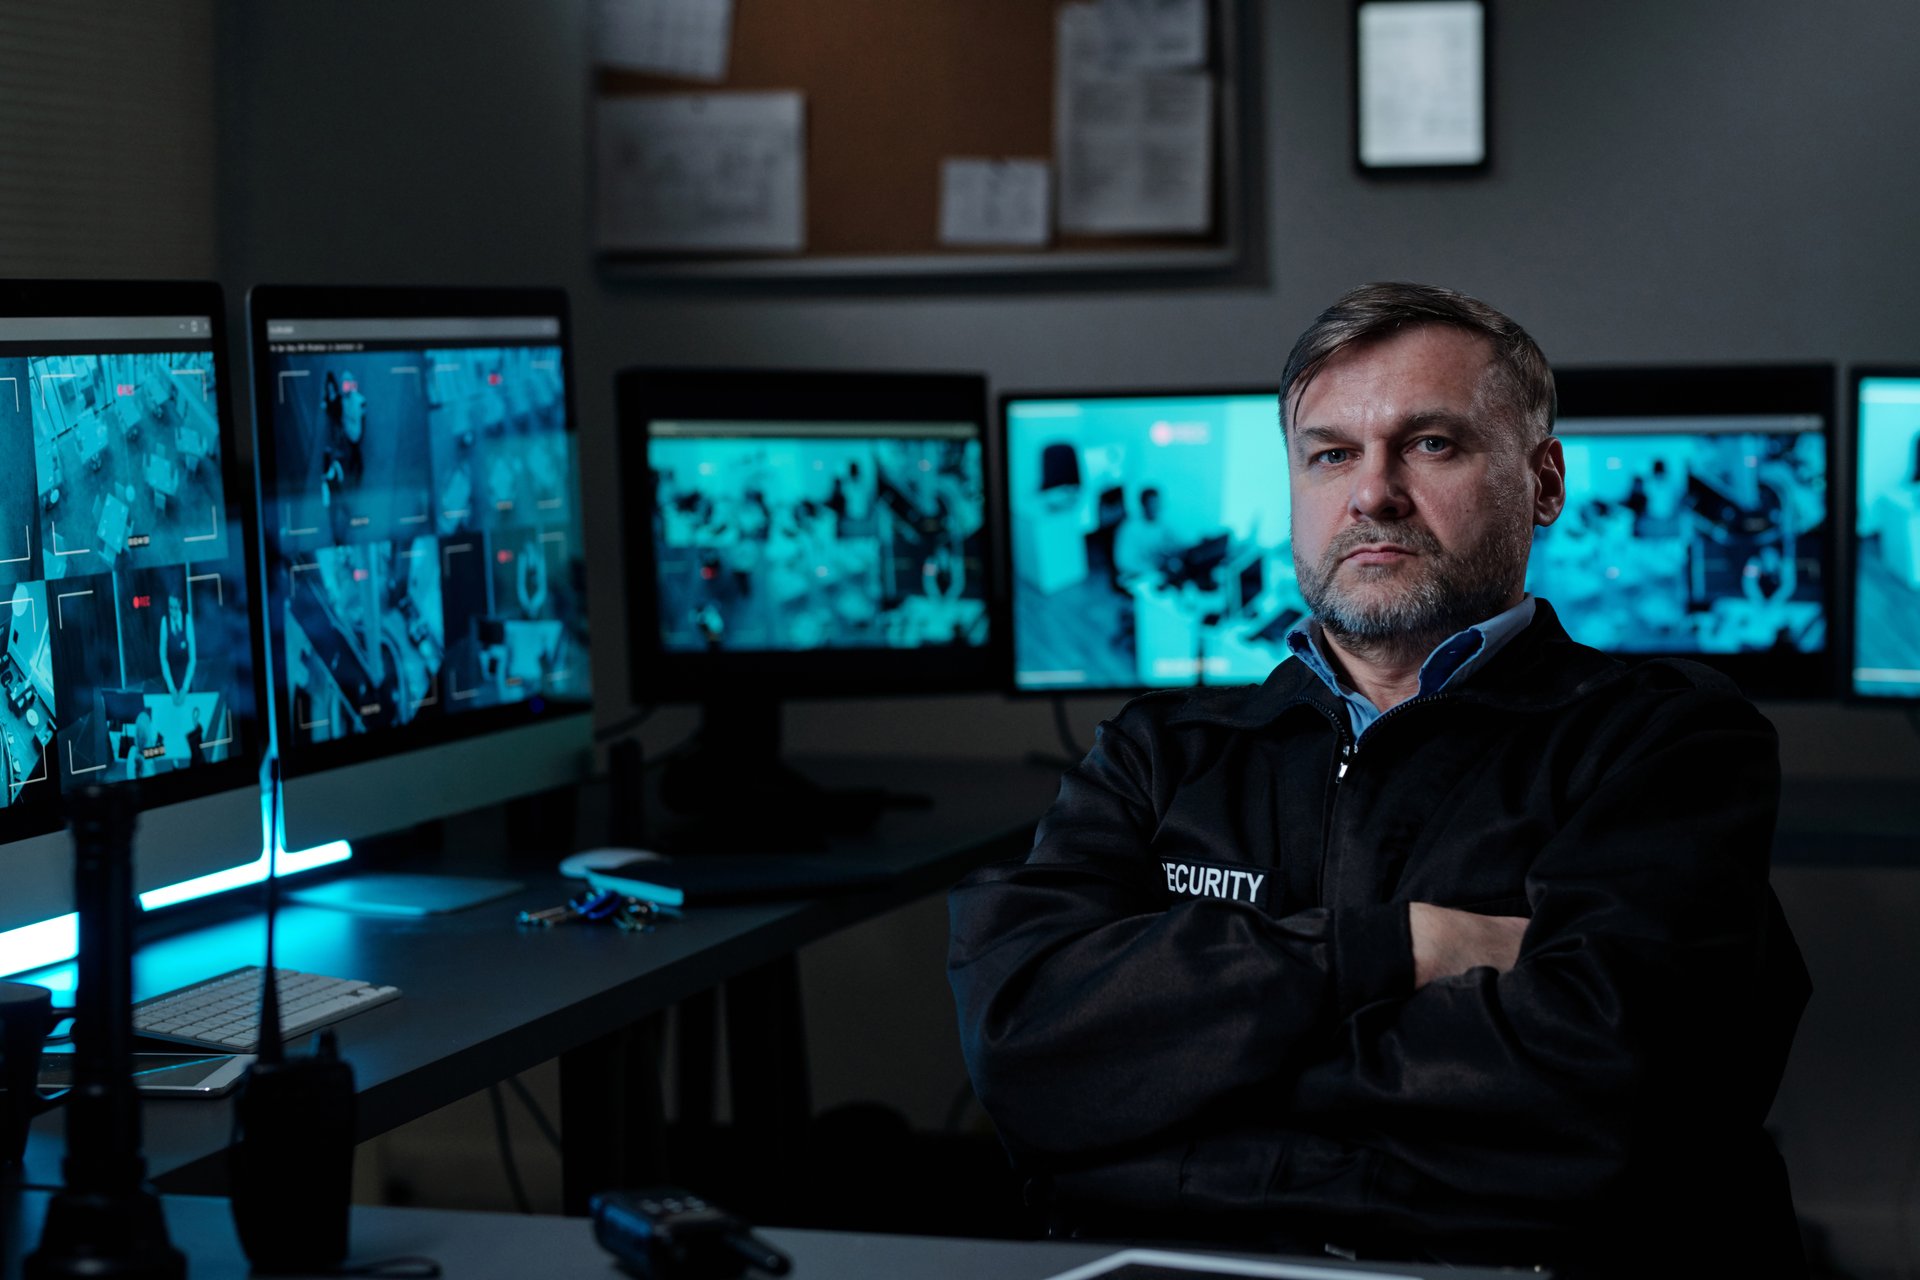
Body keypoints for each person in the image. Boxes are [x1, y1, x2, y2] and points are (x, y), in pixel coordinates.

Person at [948, 283, 1810, 1277]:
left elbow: (1618, 1105)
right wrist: (1408, 946)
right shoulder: (1160, 753)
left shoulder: (1665, 741)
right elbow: (1023, 1048)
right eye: (1330, 453)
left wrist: (1179, 1076)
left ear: (1544, 482)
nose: (1372, 493)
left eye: (1431, 443)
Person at [1111, 487, 1187, 580]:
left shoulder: (1162, 525)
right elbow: (1124, 562)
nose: (1156, 507)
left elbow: (1179, 545)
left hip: (1158, 574)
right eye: (1152, 503)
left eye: (1157, 503)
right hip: (1135, 578)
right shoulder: (1130, 528)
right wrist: (1154, 567)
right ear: (1143, 505)